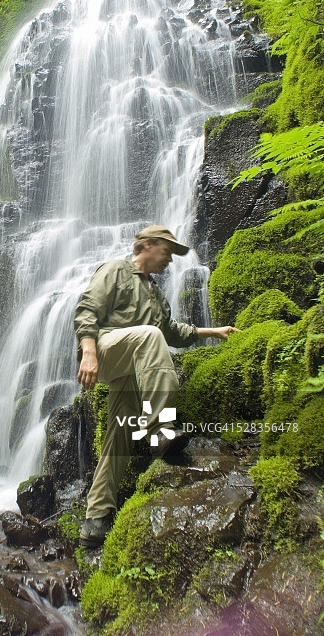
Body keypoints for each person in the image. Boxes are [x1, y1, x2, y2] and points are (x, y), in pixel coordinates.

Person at [74, 224, 238, 547]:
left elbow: (173, 332)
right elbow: (87, 309)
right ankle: (160, 428)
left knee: (119, 433)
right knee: (149, 336)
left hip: (132, 366)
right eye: (168, 252)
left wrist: (213, 331)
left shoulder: (157, 295)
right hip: (104, 350)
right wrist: (89, 352)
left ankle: (96, 517)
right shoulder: (116, 271)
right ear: (147, 245)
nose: (171, 261)